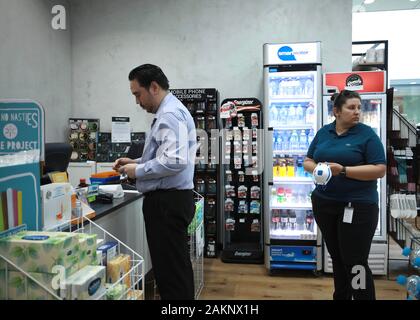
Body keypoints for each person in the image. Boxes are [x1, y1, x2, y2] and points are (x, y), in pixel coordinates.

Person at [113, 64, 196, 300]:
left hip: (167, 204)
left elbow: (175, 160)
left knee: (171, 274)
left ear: (154, 87)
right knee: (173, 269)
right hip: (170, 201)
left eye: (137, 94)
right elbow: (165, 156)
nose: (137, 102)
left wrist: (137, 170)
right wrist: (135, 161)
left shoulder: (169, 115)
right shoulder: (169, 112)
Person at [303, 90, 386, 300]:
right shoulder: (324, 133)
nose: (357, 112)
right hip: (325, 204)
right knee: (338, 258)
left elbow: (379, 169)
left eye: (359, 107)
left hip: (358, 207)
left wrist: (344, 170)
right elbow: (307, 160)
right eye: (351, 107)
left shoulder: (367, 135)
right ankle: (340, 297)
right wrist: (318, 168)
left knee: (355, 261)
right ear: (337, 111)